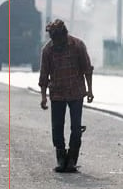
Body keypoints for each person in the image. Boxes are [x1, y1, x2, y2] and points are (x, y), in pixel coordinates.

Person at [38, 19, 94, 173]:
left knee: (76, 127)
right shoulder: (48, 50)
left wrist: (90, 90)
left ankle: (72, 159)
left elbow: (87, 69)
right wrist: (43, 97)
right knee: (57, 127)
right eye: (54, 40)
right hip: (57, 94)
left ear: (65, 34)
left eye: (59, 40)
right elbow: (44, 76)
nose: (57, 43)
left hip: (76, 92)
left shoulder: (78, 46)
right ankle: (61, 157)